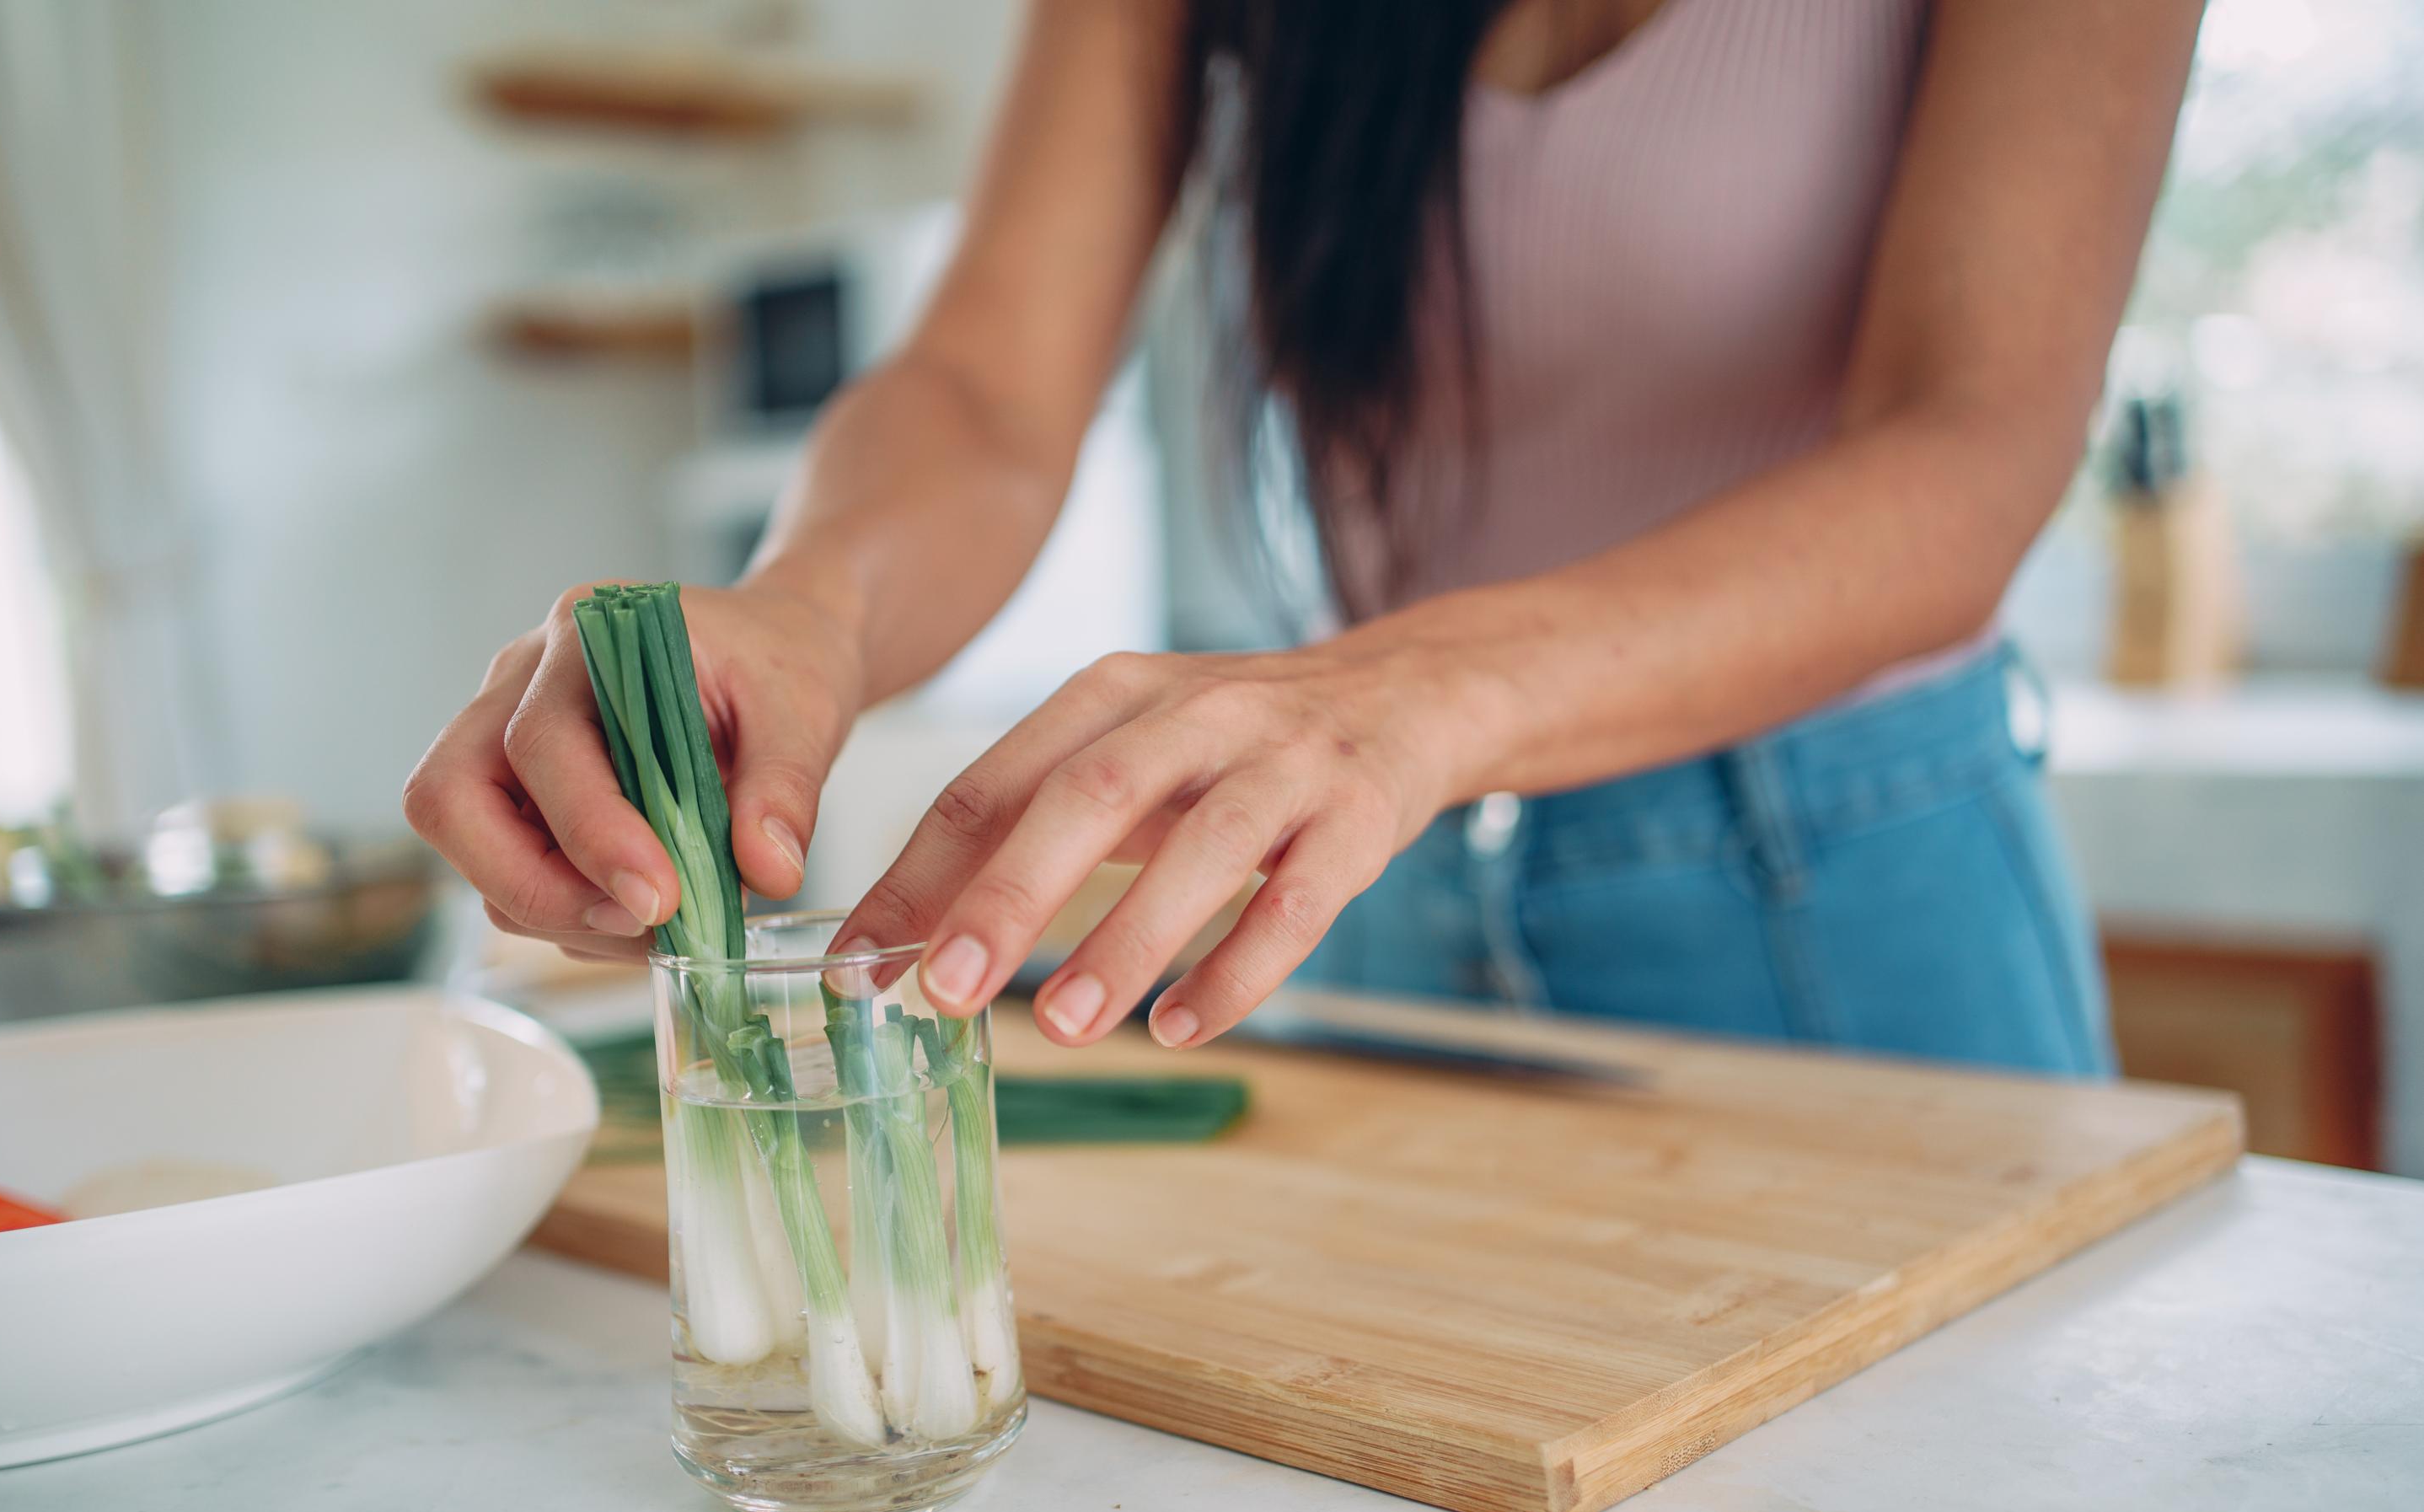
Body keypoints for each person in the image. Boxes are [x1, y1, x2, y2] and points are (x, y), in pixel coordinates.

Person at [405, 0, 2204, 1075]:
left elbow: (1965, 453)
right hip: (1379, 892)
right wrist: (805, 606)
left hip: (1854, 884)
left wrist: (1395, 693)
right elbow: (987, 390)